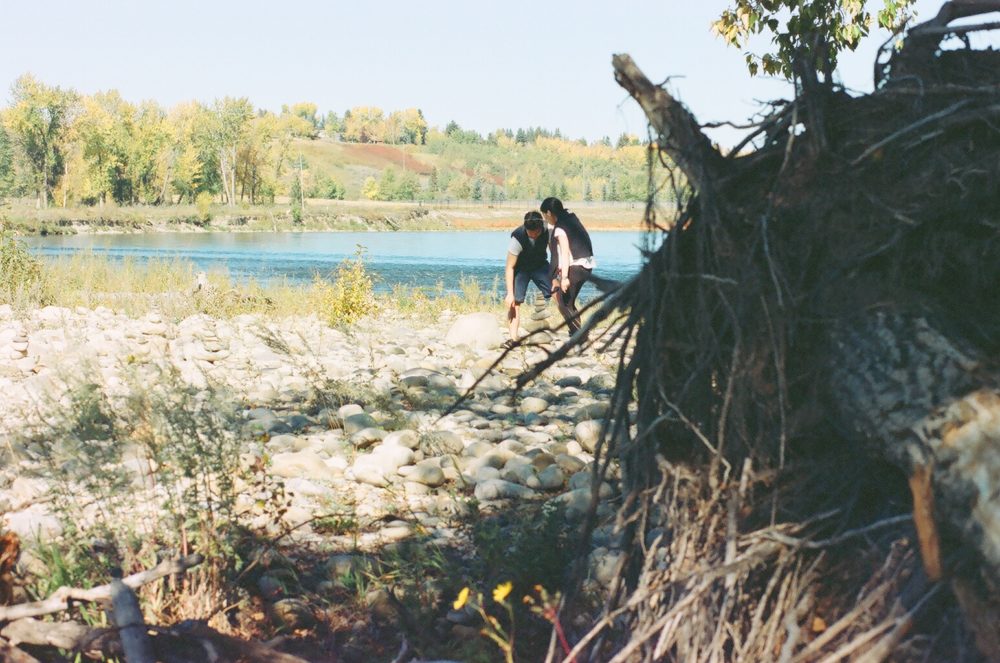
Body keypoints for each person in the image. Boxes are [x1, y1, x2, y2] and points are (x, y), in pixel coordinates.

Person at [541, 196, 612, 338]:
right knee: (569, 302)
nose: (545, 219)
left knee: (562, 303)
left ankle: (579, 335)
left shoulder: (560, 228)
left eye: (544, 215)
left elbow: (565, 253)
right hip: (586, 265)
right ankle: (576, 332)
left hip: (576, 267)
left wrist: (565, 277)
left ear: (548, 213)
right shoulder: (571, 218)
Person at [503, 211, 551, 348]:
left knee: (557, 291)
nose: (534, 235)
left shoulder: (548, 231)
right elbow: (509, 268)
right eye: (531, 233)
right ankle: (513, 338)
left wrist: (557, 274)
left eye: (536, 232)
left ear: (541, 227)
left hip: (540, 265)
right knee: (515, 302)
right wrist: (510, 294)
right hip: (520, 269)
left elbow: (555, 254)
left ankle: (574, 330)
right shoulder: (517, 238)